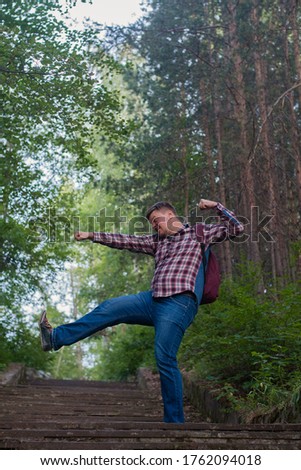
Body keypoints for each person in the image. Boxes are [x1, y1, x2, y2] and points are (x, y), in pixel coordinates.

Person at [39, 198, 244, 423]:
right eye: (151, 224)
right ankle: (55, 337)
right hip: (151, 301)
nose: (155, 226)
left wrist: (216, 207)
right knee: (110, 307)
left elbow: (237, 228)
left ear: (170, 215)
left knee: (164, 357)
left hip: (179, 303)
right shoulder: (157, 242)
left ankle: (175, 424)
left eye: (156, 221)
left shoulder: (198, 233)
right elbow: (126, 240)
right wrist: (92, 235)